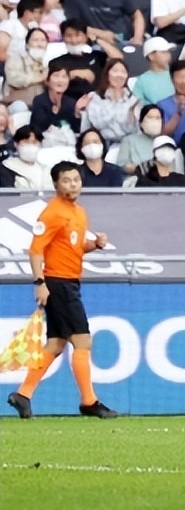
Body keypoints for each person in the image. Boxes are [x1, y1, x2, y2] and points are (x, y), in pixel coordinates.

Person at [5, 161, 116, 420]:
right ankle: (89, 401)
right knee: (82, 340)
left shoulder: (78, 212)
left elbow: (76, 247)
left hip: (69, 282)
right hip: (58, 282)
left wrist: (95, 244)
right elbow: (35, 250)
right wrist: (39, 282)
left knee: (55, 344)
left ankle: (23, 394)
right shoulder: (52, 213)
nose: (73, 184)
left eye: (76, 179)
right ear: (56, 184)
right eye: (67, 180)